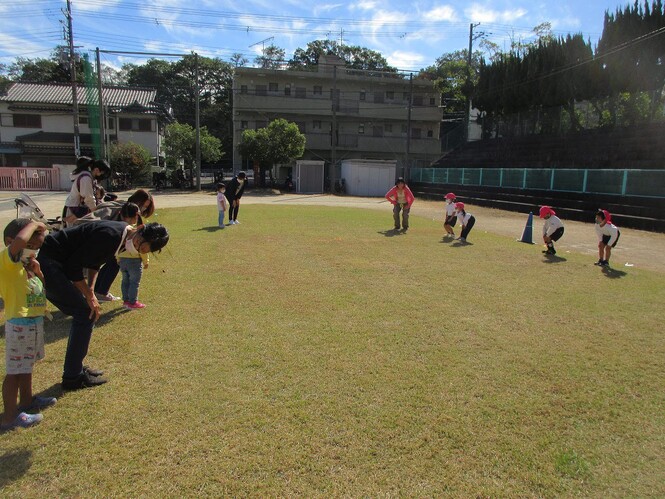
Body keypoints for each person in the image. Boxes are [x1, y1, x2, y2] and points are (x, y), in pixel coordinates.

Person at [37, 221, 169, 390]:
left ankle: (75, 368)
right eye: (141, 244)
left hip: (58, 263)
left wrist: (91, 290)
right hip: (49, 264)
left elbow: (94, 263)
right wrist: (89, 296)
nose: (139, 249)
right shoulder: (111, 235)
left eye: (145, 250)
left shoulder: (120, 239)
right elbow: (73, 267)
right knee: (85, 314)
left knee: (87, 313)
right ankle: (72, 377)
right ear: (140, 229)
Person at [1, 219, 56, 432]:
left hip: (33, 322)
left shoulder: (27, 265)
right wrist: (34, 223)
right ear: (10, 242)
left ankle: (26, 401)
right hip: (19, 325)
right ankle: (9, 417)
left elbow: (40, 289)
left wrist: (38, 272)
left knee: (27, 365)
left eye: (38, 248)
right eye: (31, 247)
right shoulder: (8, 261)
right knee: (15, 370)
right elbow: (20, 241)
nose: (34, 251)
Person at [74, 189, 155, 302]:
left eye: (146, 207)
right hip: (87, 239)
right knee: (114, 260)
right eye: (142, 206)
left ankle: (98, 291)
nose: (143, 209)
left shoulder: (126, 209)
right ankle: (99, 291)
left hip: (94, 240)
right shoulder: (121, 210)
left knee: (112, 260)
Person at [117, 203, 150, 309]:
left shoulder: (121, 230)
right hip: (134, 261)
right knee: (134, 282)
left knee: (125, 280)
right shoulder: (135, 232)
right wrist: (146, 262)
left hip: (122, 260)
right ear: (136, 216)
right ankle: (132, 302)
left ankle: (125, 300)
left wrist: (118, 258)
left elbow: (118, 247)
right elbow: (142, 249)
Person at [62, 157, 111, 226]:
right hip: (74, 210)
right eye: (102, 173)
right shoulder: (86, 178)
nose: (102, 176)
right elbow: (89, 198)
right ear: (97, 170)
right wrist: (96, 211)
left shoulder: (90, 178)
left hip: (79, 209)